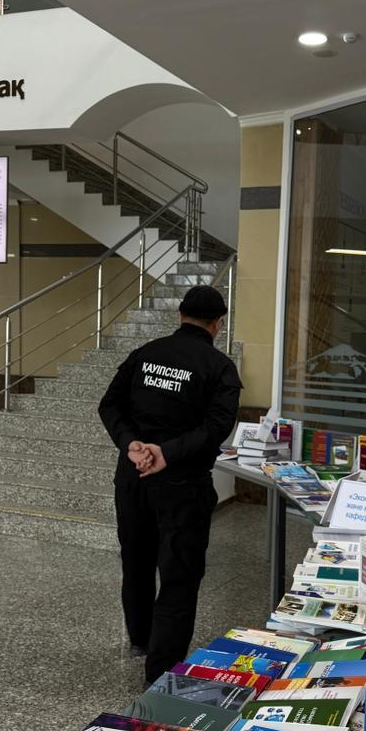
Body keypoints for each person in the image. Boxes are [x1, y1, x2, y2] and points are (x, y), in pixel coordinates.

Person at [99, 284, 242, 684]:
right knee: (179, 575)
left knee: (137, 560)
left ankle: (140, 639)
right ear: (218, 323)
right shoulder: (220, 367)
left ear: (180, 314)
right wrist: (168, 453)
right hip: (182, 484)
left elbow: (109, 404)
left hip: (133, 478)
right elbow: (216, 427)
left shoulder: (145, 354)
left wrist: (131, 445)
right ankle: (160, 671)